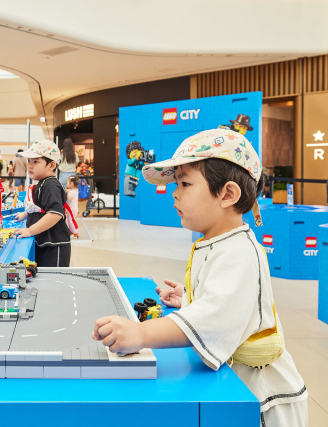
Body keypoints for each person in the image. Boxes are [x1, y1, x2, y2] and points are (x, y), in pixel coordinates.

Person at [92, 129, 307, 426]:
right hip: (237, 385)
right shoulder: (221, 241)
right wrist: (191, 299)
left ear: (228, 194)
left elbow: (215, 317)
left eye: (184, 183)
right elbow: (226, 304)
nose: (175, 192)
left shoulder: (240, 252)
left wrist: (141, 333)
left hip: (262, 403)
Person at [13, 140, 70, 267]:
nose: (30, 166)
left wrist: (30, 231)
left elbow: (55, 214)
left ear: (51, 165)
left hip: (54, 245)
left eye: (36, 161)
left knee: (53, 279)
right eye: (29, 161)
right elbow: (39, 207)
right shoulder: (42, 183)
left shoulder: (50, 184)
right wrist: (24, 214)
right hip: (45, 242)